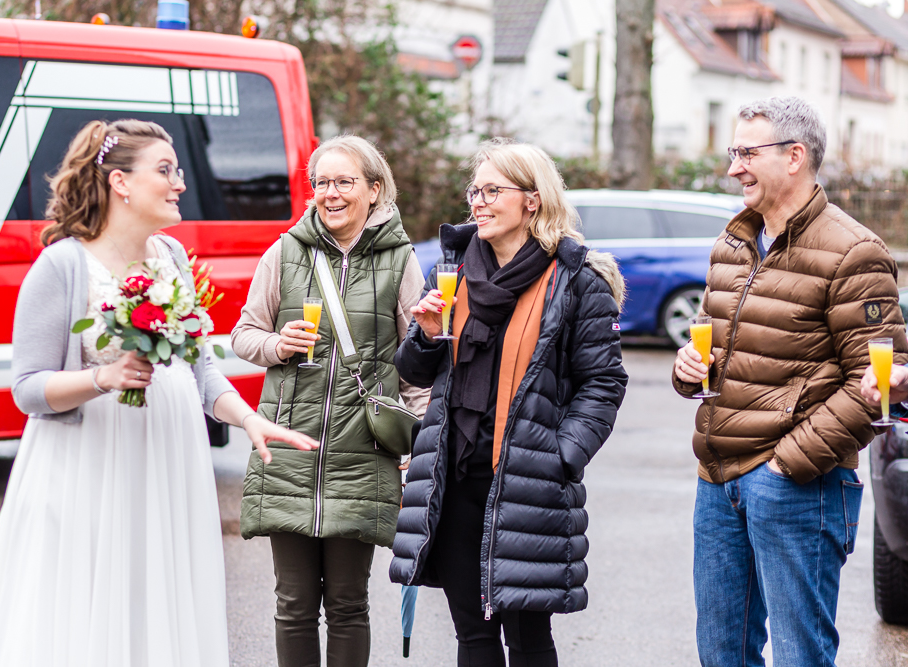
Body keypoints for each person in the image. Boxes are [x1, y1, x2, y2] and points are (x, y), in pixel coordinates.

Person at [0, 119, 317, 667]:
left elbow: (200, 371)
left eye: (178, 170)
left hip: (169, 459)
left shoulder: (170, 256)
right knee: (87, 596)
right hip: (90, 465)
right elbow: (28, 390)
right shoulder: (64, 265)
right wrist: (104, 377)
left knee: (159, 590)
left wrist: (248, 418)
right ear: (120, 181)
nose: (180, 183)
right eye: (165, 170)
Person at [673, 97, 908, 667]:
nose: (734, 168)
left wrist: (787, 465)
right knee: (722, 654)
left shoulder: (854, 252)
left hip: (797, 485)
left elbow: (882, 380)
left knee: (801, 655)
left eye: (747, 153)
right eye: (734, 153)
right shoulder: (732, 242)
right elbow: (714, 343)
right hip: (717, 479)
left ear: (795, 156)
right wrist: (687, 369)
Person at [388, 138, 628, 667]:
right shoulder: (452, 272)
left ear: (533, 199)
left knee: (527, 639)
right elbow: (413, 370)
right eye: (475, 190)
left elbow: (603, 383)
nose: (478, 201)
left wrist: (561, 454)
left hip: (526, 481)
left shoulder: (575, 281)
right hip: (451, 479)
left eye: (493, 190)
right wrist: (426, 336)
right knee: (472, 636)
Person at [231, 134, 429, 667]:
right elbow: (243, 334)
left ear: (374, 190)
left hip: (363, 449)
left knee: (347, 603)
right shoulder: (286, 251)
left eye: (345, 182)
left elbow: (418, 361)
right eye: (322, 182)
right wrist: (277, 344)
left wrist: (420, 437)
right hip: (290, 447)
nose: (331, 193)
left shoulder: (401, 261)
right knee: (293, 604)